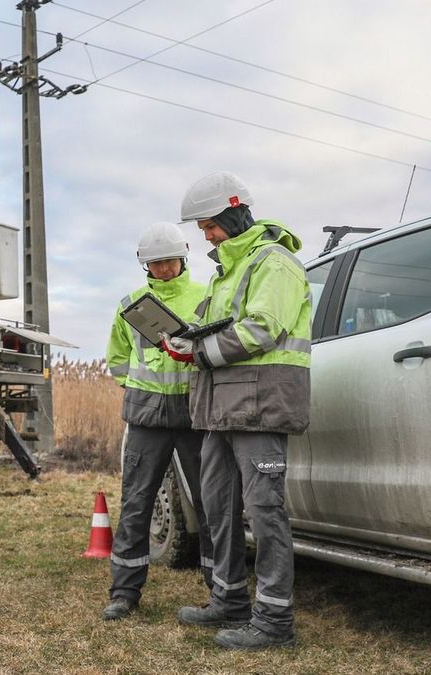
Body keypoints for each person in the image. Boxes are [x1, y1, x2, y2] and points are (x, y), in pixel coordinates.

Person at [169, 171, 311, 650]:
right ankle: (228, 601)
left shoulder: (275, 262)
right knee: (217, 508)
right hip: (222, 410)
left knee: (265, 511)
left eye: (208, 225)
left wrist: (199, 352)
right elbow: (214, 329)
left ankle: (273, 622)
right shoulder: (227, 270)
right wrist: (182, 337)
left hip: (260, 406)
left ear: (233, 214)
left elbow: (261, 329)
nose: (205, 235)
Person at [101, 221, 213, 621]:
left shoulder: (206, 296)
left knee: (209, 502)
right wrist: (134, 387)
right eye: (156, 264)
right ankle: (124, 593)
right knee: (136, 503)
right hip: (146, 415)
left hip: (195, 413)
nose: (164, 269)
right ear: (144, 264)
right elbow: (116, 358)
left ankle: (221, 593)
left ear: (183, 258)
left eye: (169, 262)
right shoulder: (131, 303)